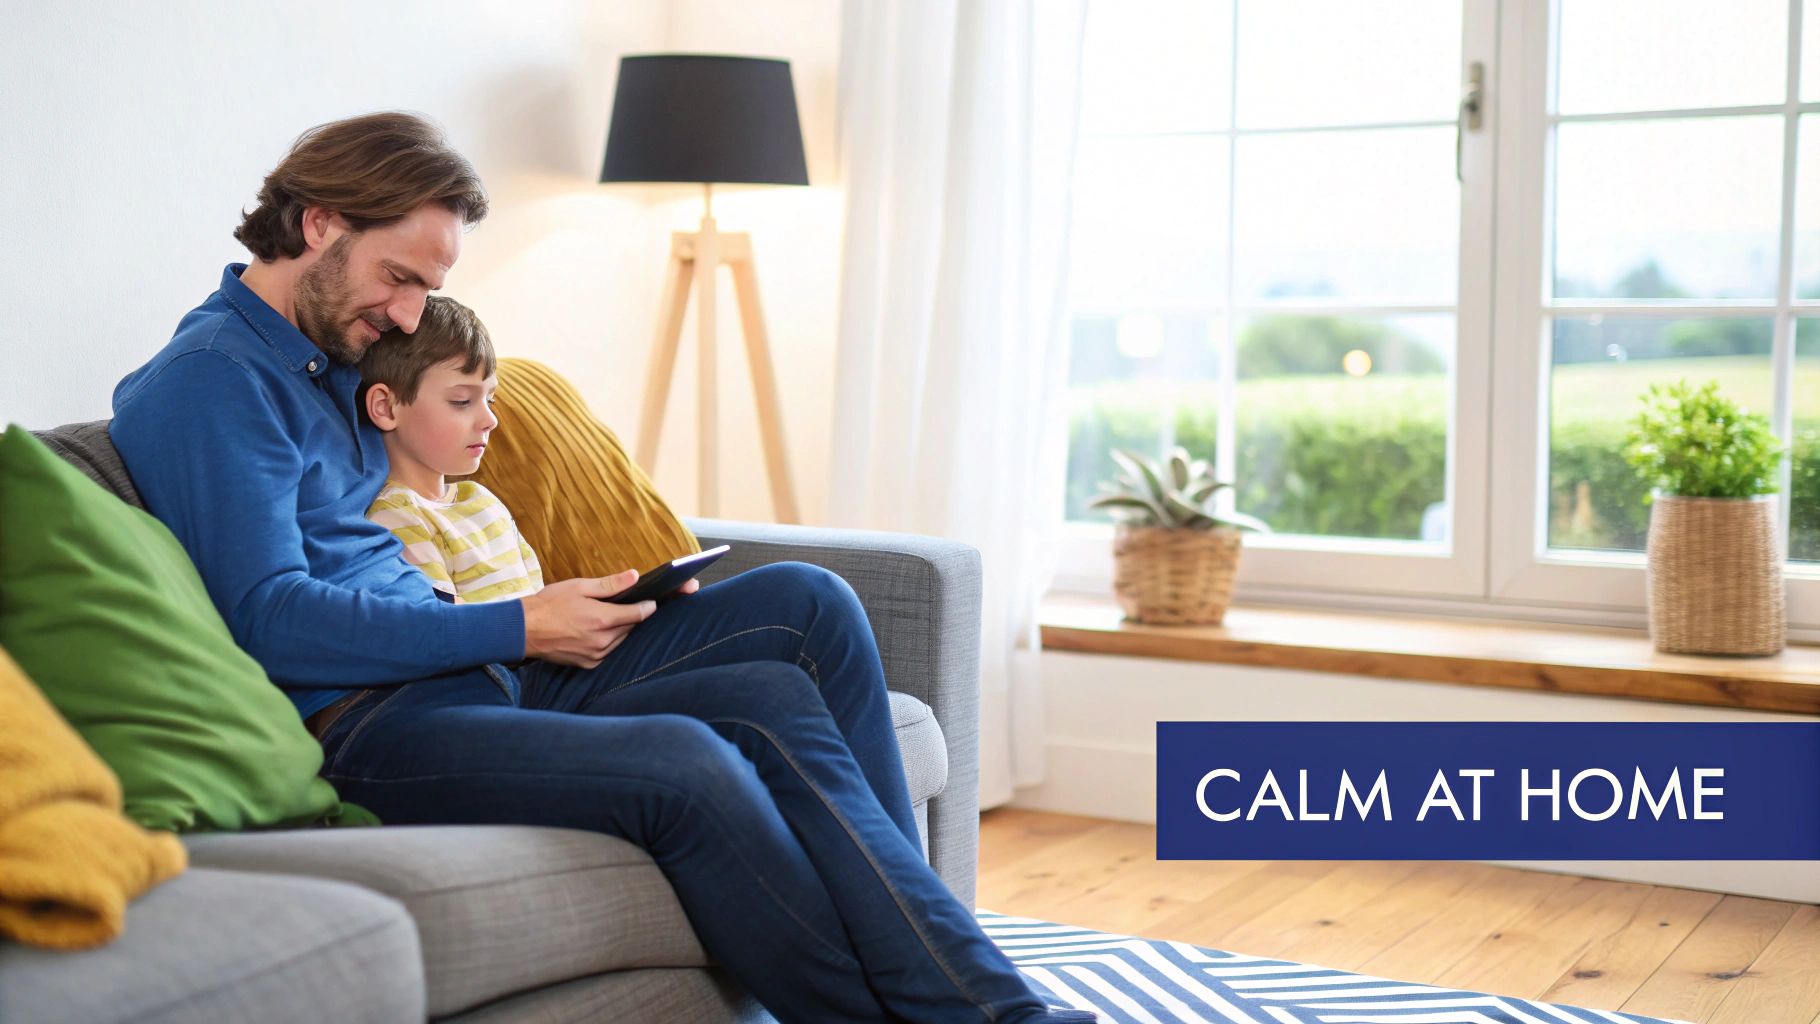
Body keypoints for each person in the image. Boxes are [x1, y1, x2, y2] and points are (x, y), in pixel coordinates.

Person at [109, 111, 1091, 1023]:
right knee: (689, 759)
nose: (408, 316)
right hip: (376, 723)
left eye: (426, 291)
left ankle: (961, 985)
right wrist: (519, 623)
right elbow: (270, 617)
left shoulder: (331, 355)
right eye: (398, 277)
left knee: (806, 607)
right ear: (318, 223)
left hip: (476, 667)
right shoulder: (213, 383)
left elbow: (420, 499)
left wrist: (557, 610)